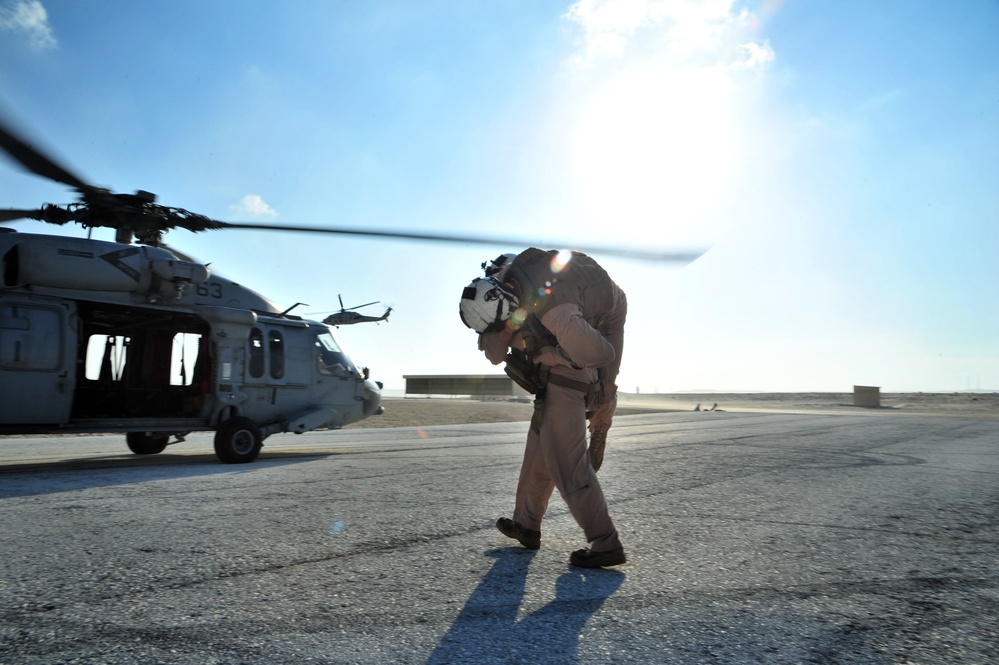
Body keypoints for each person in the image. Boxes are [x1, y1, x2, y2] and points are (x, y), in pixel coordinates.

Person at [459, 248, 628, 568]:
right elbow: (495, 354)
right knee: (537, 459)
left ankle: (606, 543)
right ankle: (527, 525)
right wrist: (501, 328)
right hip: (549, 386)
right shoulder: (501, 304)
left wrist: (559, 357)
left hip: (568, 383)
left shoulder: (553, 308)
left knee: (568, 467)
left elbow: (602, 352)